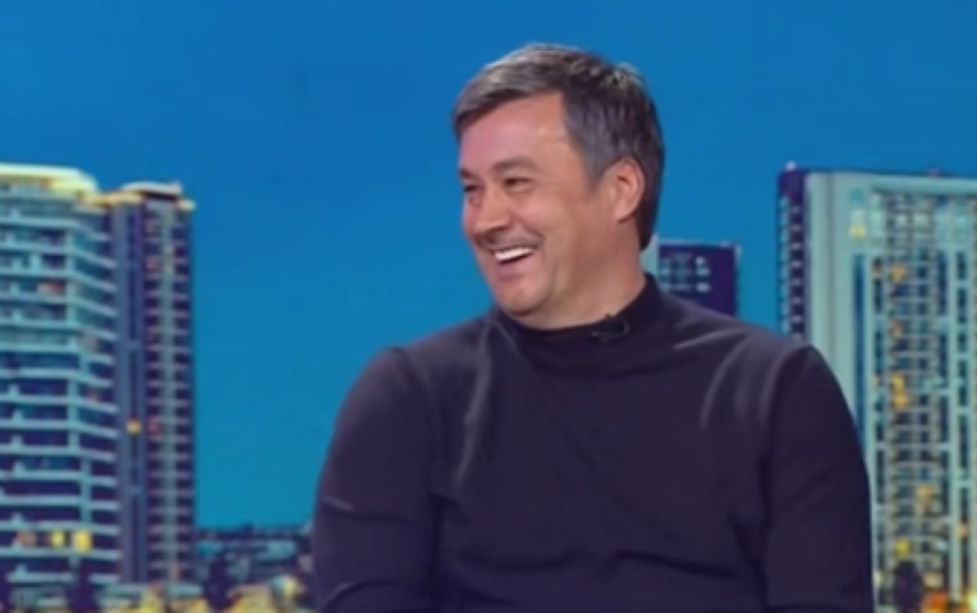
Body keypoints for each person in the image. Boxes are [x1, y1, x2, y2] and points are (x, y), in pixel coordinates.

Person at [312, 43, 872, 613]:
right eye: (472, 190)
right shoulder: (407, 400)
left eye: (517, 182)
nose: (486, 219)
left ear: (621, 189)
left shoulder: (777, 393)